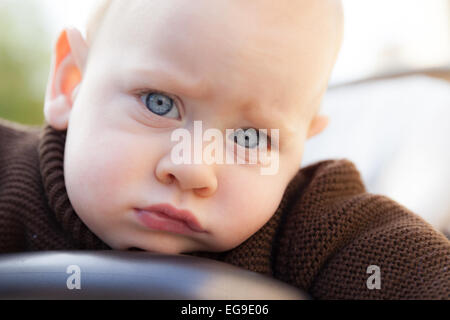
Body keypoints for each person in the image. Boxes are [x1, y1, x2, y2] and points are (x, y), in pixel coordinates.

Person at [0, 0, 448, 299]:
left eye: (250, 138)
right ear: (70, 84)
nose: (195, 168)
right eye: (159, 103)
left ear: (298, 150)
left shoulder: (313, 230)